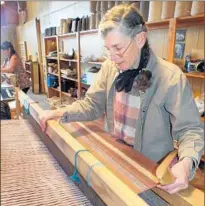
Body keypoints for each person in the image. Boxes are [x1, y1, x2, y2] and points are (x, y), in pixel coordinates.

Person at [39, 4, 204, 194]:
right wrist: (59, 112)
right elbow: (92, 105)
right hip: (116, 157)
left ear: (140, 38)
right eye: (108, 49)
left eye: (118, 48)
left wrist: (186, 162)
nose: (113, 57)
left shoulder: (170, 77)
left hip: (150, 169)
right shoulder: (111, 67)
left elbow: (190, 129)